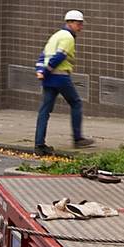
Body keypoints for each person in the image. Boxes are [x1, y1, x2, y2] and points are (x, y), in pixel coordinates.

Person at [34, 9, 94, 155]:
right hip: (60, 77)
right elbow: (59, 56)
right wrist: (47, 71)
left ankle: (39, 144)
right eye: (79, 24)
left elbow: (43, 55)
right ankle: (78, 139)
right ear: (70, 23)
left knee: (44, 110)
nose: (81, 27)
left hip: (48, 78)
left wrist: (41, 71)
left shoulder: (55, 36)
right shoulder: (68, 37)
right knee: (76, 103)